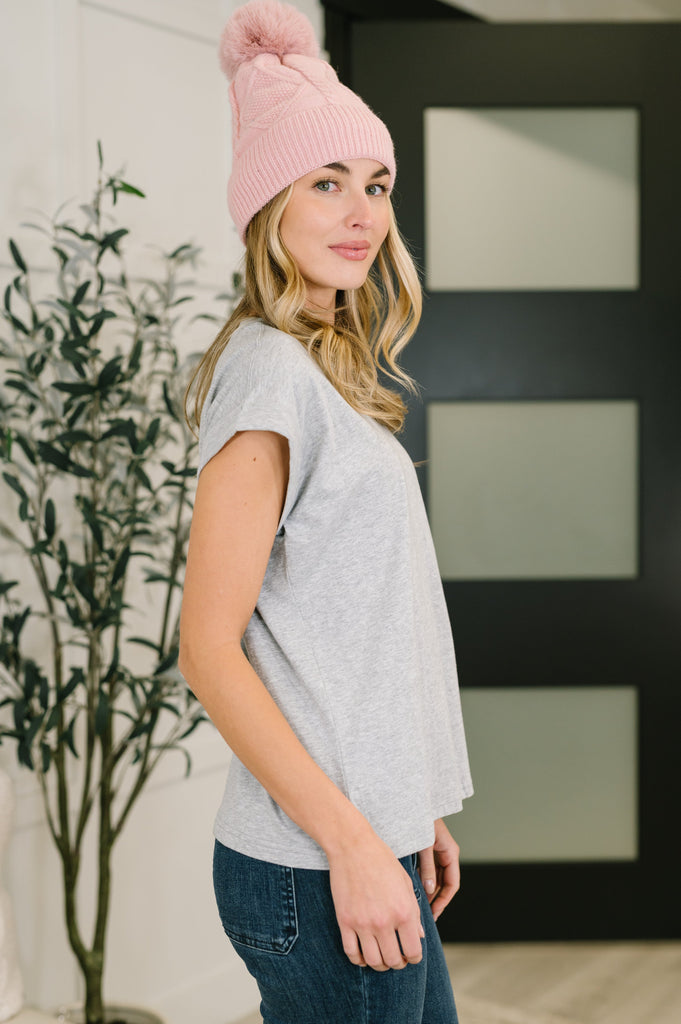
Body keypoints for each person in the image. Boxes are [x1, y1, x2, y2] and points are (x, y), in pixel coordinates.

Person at [179, 2, 473, 1021]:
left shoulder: (322, 375)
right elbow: (208, 649)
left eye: (376, 184)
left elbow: (352, 637)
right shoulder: (269, 374)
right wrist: (352, 840)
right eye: (325, 182)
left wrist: (408, 806)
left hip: (364, 836)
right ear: (269, 205)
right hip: (315, 864)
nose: (362, 212)